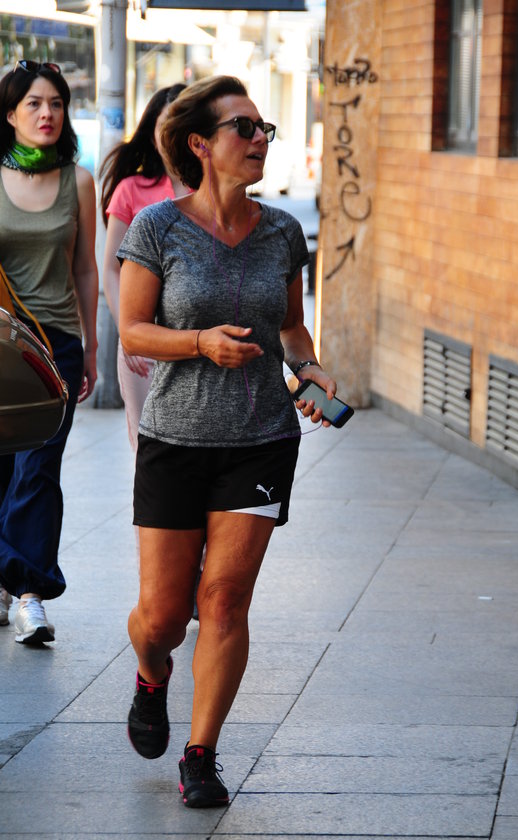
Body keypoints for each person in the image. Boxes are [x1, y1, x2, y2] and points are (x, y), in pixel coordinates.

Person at [117, 75, 337, 808]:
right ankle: (152, 675)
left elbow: (291, 327)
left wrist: (309, 370)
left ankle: (201, 754)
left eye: (263, 127)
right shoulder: (159, 228)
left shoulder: (282, 232)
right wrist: (199, 343)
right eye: (243, 127)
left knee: (225, 599)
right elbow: (133, 331)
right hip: (175, 439)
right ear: (200, 145)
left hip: (260, 439)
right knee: (162, 616)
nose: (259, 139)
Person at [0, 60, 98, 643]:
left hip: (55, 344)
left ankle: (29, 593)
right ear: (10, 114)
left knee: (39, 467)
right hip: (0, 341)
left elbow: (84, 268)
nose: (47, 113)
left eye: (57, 103)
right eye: (34, 104)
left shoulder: (77, 181)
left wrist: (89, 345)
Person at [100, 84, 188, 450]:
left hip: (198, 342)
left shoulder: (215, 192)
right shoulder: (130, 189)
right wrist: (130, 333)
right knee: (148, 452)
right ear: (152, 132)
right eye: (165, 124)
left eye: (183, 123)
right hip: (143, 344)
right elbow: (111, 269)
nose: (173, 134)